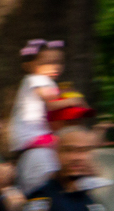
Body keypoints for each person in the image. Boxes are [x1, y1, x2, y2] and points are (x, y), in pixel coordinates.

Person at [10, 40, 87, 195]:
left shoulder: (45, 82)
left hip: (36, 137)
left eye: (58, 62)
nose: (55, 67)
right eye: (47, 63)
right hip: (32, 136)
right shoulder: (37, 79)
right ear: (31, 65)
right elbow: (51, 104)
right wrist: (74, 100)